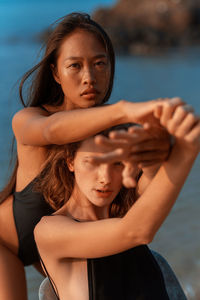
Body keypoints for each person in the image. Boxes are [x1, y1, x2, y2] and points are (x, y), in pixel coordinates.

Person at [0, 12, 173, 300]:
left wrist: (163, 150)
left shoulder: (111, 134)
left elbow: (141, 201)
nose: (89, 78)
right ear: (55, 73)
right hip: (7, 246)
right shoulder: (30, 119)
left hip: (56, 244)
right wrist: (123, 109)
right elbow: (53, 132)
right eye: (75, 66)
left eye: (99, 64)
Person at [34, 102, 200, 300]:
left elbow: (152, 172)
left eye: (118, 164)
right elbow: (136, 232)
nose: (105, 177)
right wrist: (185, 151)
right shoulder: (49, 231)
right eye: (93, 162)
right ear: (70, 161)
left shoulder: (130, 213)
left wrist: (160, 143)